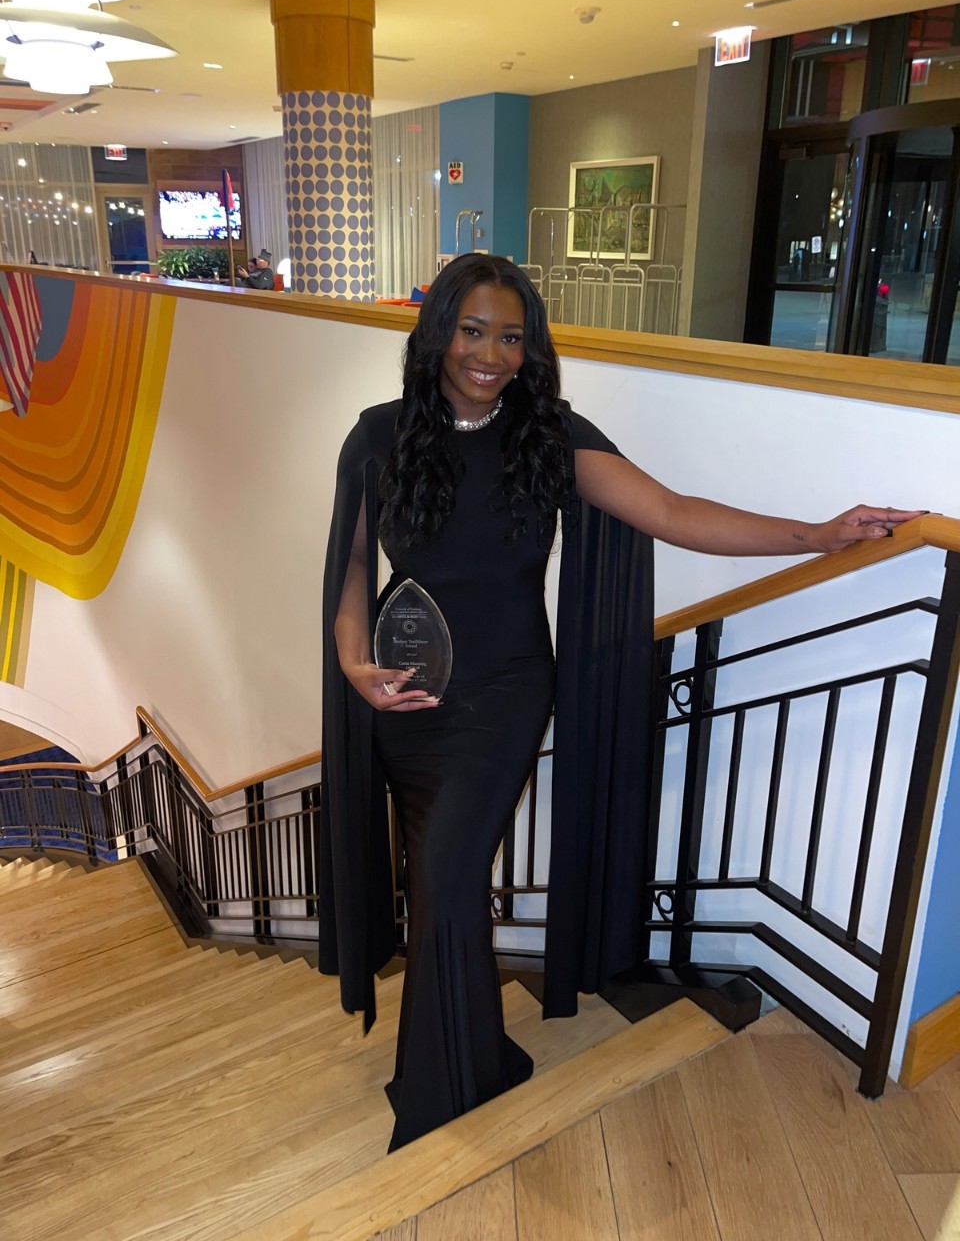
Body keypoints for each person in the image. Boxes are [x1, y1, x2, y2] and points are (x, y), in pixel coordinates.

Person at [320, 252, 921, 1153]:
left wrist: (819, 535)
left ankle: (441, 1101)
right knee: (435, 888)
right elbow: (355, 570)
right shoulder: (377, 436)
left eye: (511, 336)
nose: (490, 353)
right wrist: (354, 664)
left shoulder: (550, 436)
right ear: (438, 330)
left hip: (510, 692)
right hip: (410, 697)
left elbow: (675, 513)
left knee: (445, 876)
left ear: (531, 348)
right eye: (472, 330)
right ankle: (474, 1060)